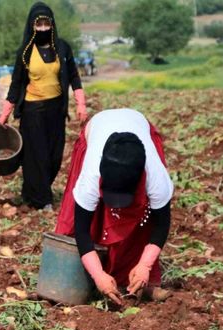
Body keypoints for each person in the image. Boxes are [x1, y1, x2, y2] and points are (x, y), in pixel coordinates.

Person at [55, 109, 174, 304]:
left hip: (137, 123)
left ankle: (138, 281)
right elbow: (81, 231)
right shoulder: (91, 176)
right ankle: (95, 279)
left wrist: (145, 265)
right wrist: (97, 275)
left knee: (143, 224)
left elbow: (161, 224)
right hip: (98, 126)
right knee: (87, 223)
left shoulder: (155, 176)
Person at [0, 2, 87, 210]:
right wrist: (5, 114)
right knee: (36, 156)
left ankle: (33, 192)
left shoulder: (62, 48)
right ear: (32, 26)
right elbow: (16, 84)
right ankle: (42, 200)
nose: (44, 29)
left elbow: (74, 75)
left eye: (47, 24)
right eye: (39, 25)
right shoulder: (26, 52)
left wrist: (80, 104)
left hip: (56, 110)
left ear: (52, 24)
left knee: (55, 156)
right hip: (33, 111)